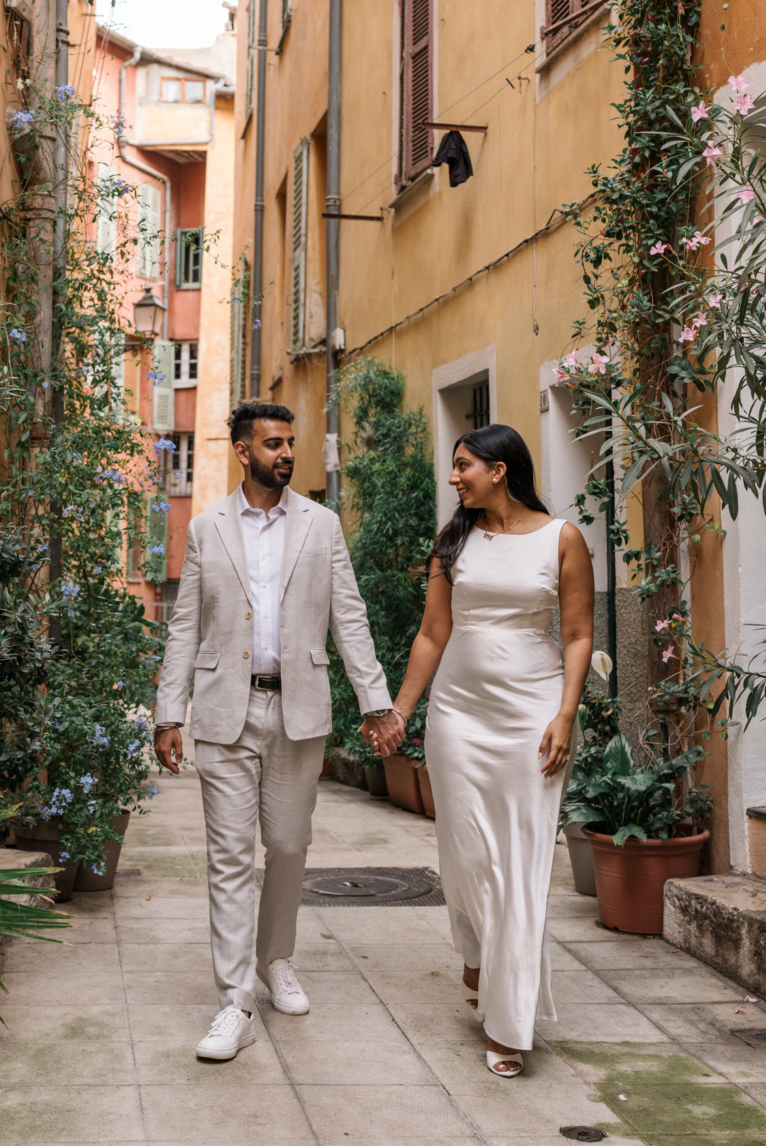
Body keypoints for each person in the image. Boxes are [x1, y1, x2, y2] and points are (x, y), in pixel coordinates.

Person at [154, 401, 404, 1061]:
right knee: (231, 858)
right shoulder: (207, 528)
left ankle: (275, 959)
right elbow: (186, 624)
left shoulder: (321, 525)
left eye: (290, 442)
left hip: (298, 710)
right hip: (223, 711)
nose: (286, 453)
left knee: (288, 846)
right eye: (272, 443)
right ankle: (234, 1001)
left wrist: (374, 701)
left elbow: (348, 615)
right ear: (243, 451)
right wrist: (167, 712)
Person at [372, 423, 593, 1078]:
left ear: (499, 469)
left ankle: (506, 1022)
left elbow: (578, 635)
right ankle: (474, 951)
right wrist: (401, 711)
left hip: (531, 714)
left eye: (462, 465)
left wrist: (565, 714)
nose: (452, 477)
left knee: (519, 864)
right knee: (466, 857)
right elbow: (432, 634)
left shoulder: (562, 538)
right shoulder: (452, 543)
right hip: (459, 718)